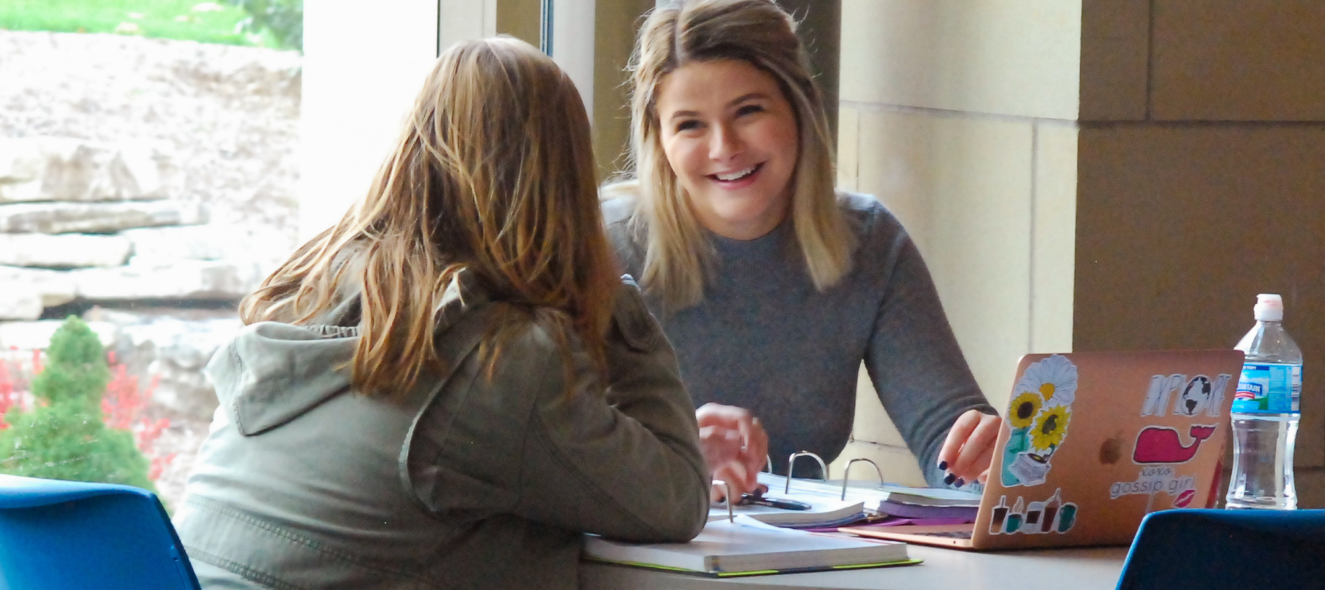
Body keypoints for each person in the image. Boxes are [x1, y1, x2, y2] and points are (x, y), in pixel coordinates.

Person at [173, 37, 707, 589]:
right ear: (564, 182)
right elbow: (676, 500)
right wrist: (611, 300)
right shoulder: (504, 364)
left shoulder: (311, 286)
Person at [602, 0, 1003, 494]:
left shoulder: (869, 240)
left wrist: (991, 470)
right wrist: (664, 462)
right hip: (634, 559)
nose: (724, 146)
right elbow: (551, 458)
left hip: (808, 561)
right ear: (657, 138)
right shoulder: (601, 245)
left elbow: (949, 441)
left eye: (748, 111)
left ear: (801, 108)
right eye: (690, 124)